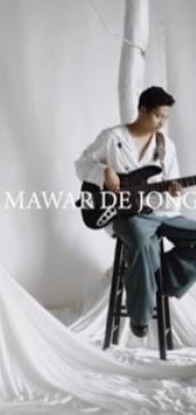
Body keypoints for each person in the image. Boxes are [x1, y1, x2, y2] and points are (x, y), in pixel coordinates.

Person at [75, 85, 196, 338]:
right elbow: (81, 165)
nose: (161, 122)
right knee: (141, 240)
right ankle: (140, 317)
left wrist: (173, 193)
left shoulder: (166, 146)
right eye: (157, 116)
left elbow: (170, 199)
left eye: (165, 118)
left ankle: (163, 280)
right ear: (142, 109)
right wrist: (104, 171)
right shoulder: (112, 137)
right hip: (126, 215)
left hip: (160, 214)